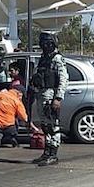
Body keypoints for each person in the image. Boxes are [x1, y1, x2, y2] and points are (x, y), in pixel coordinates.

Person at [29, 32, 69, 166]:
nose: (43, 46)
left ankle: (53, 154)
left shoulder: (57, 58)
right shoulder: (44, 58)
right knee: (45, 125)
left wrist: (58, 98)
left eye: (45, 44)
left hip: (51, 95)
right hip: (42, 94)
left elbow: (63, 79)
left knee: (53, 125)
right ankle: (46, 152)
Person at [0, 83, 28, 148]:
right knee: (12, 131)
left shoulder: (1, 94)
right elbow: (23, 117)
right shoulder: (17, 101)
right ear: (19, 93)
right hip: (10, 124)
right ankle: (12, 138)